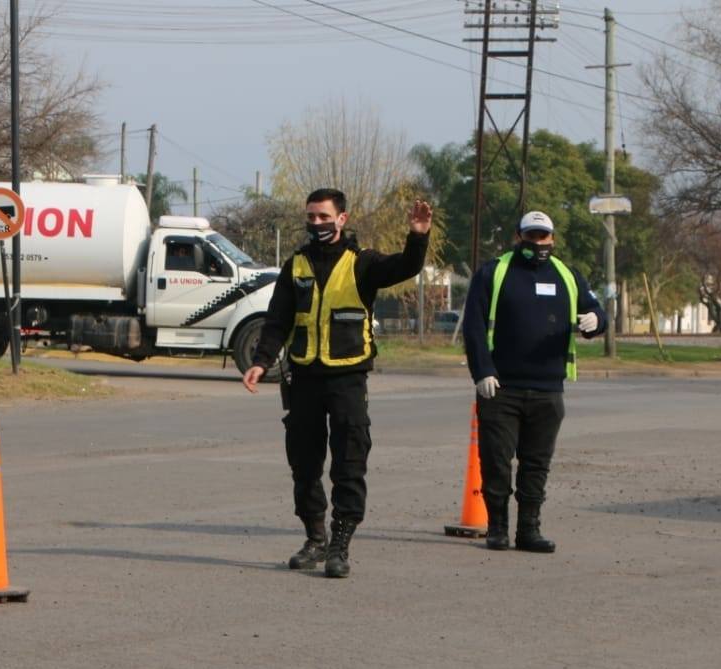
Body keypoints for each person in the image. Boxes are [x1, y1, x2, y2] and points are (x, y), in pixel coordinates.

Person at [243, 188, 432, 578]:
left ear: (342, 219)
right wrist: (261, 362)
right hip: (304, 379)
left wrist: (418, 236)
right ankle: (315, 539)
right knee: (304, 465)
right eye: (311, 217)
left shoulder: (363, 263)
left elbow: (406, 267)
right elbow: (278, 319)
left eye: (323, 217)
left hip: (347, 378)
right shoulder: (294, 265)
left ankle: (339, 546)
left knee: (349, 464)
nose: (316, 224)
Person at [461, 210, 607, 553]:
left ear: (552, 239)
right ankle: (497, 528)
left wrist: (595, 320)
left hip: (548, 390)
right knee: (496, 461)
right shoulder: (494, 272)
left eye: (543, 237)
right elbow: (474, 327)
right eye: (531, 236)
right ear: (518, 237)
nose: (537, 243)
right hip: (501, 388)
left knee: (536, 464)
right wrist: (482, 371)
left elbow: (597, 312)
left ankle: (529, 530)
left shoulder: (567, 276)